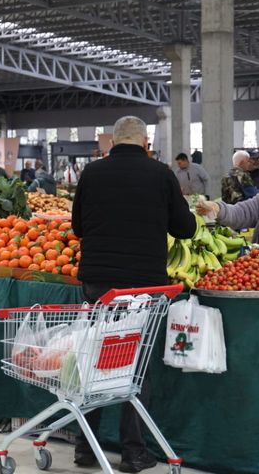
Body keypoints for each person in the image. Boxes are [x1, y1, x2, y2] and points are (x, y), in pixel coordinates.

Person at [72, 116, 195, 473]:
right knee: (134, 367)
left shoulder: (91, 174)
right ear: (145, 142)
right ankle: (133, 451)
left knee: (93, 360)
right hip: (143, 286)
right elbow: (184, 228)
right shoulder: (160, 174)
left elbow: (78, 226)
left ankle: (85, 446)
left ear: (112, 141)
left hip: (98, 284)